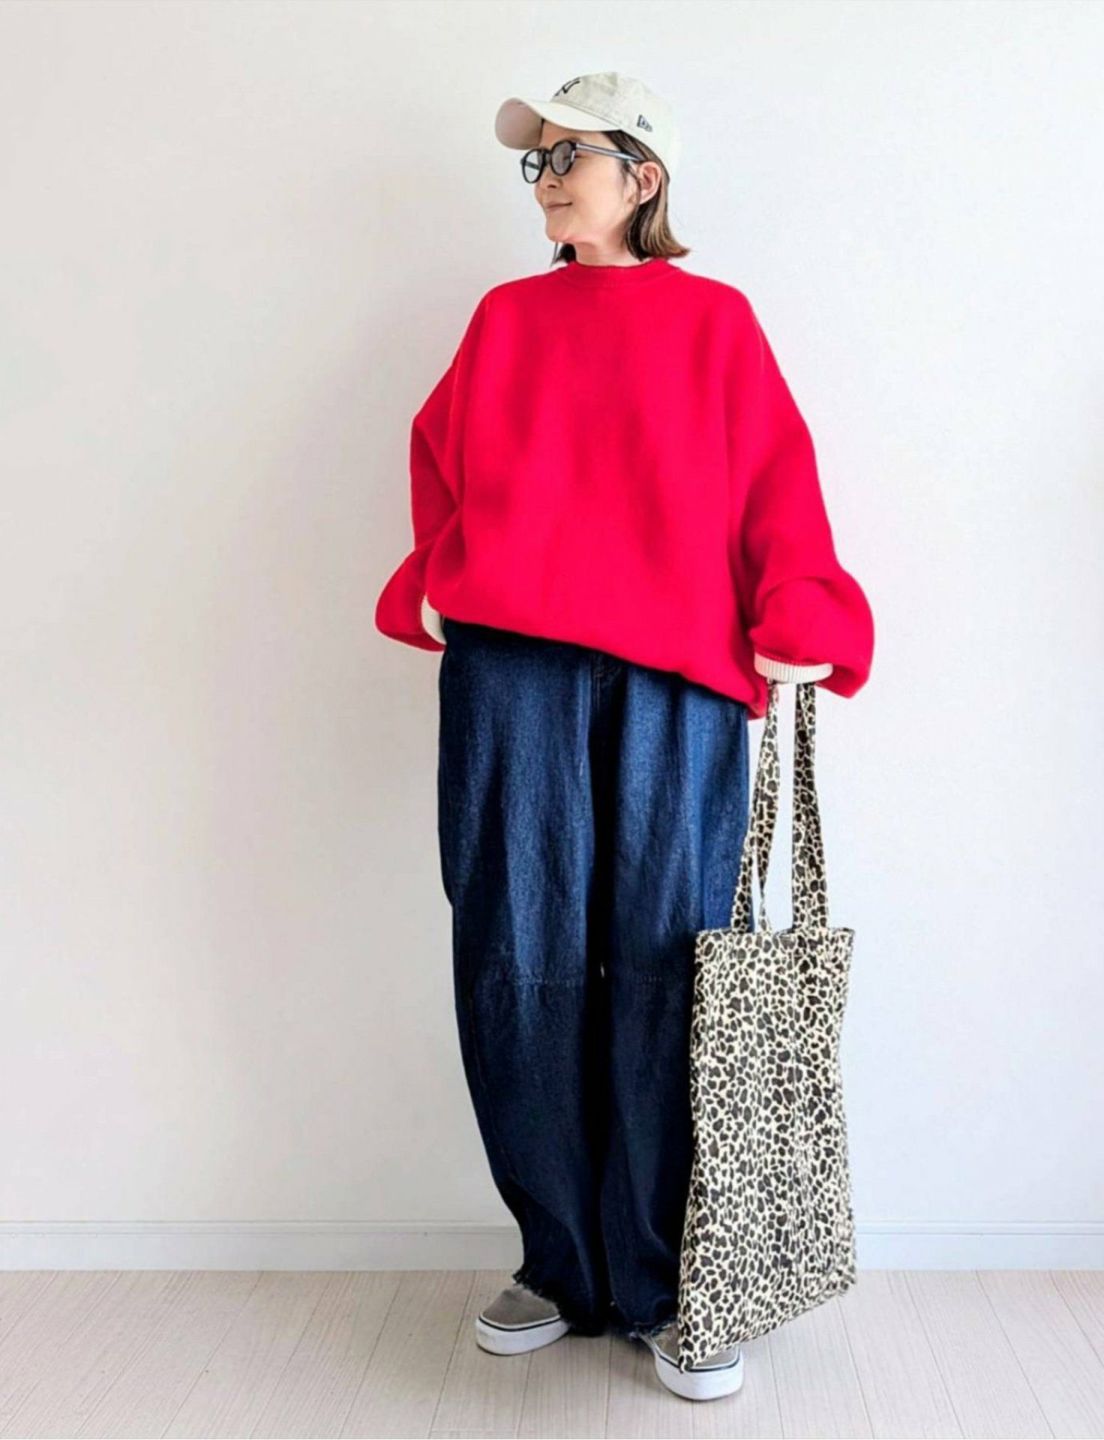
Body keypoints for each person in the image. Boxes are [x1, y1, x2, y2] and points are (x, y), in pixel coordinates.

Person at [374, 72, 874, 1403]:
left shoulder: (715, 321)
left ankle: (663, 1277)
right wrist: (438, 575)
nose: (545, 181)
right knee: (516, 953)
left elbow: (776, 478)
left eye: (569, 156)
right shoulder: (506, 317)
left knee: (668, 962)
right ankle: (559, 1262)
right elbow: (441, 459)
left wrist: (799, 605)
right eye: (533, 163)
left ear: (642, 175)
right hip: (513, 669)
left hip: (678, 677)